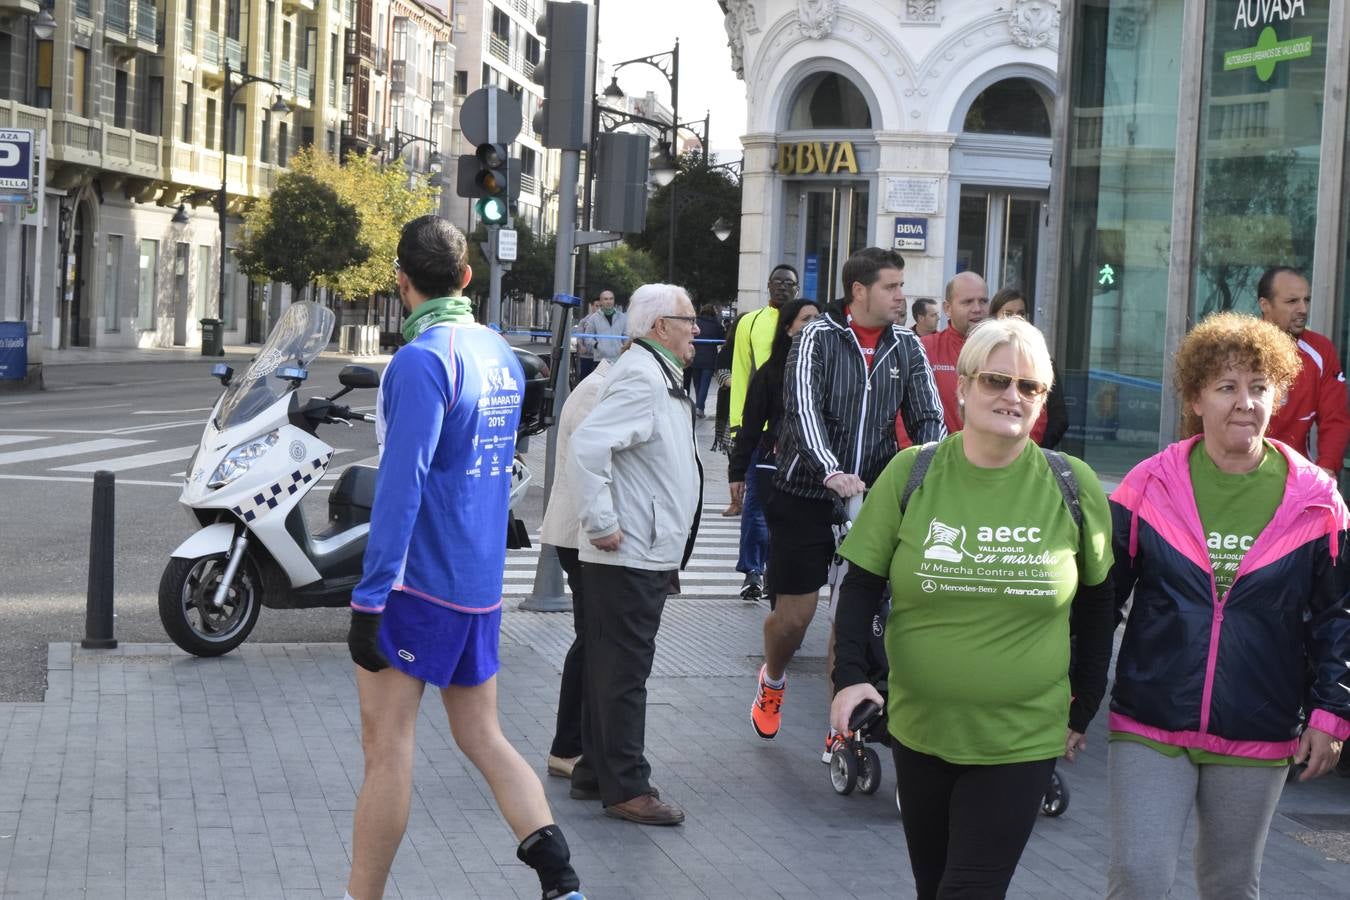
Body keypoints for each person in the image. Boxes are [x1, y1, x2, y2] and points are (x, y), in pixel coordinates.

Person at [830, 316, 1116, 900]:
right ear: (961, 387)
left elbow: (1097, 603)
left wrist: (1082, 708)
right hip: (919, 730)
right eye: (995, 380)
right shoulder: (913, 473)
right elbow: (859, 584)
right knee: (933, 887)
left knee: (969, 889)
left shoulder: (1073, 483)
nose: (1012, 396)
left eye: (1029, 387)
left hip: (1021, 738)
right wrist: (849, 679)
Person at [345, 216, 583, 900]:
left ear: (401, 282)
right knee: (483, 736)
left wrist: (370, 599)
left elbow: (400, 487)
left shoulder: (422, 360)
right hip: (478, 584)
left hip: (416, 585)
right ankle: (562, 883)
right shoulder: (497, 351)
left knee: (385, 750)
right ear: (468, 277)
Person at [1105, 312, 1349, 900]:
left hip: (1258, 723)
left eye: (1260, 387)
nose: (1246, 403)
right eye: (1227, 387)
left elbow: (1338, 617)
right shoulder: (1148, 484)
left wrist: (1329, 714)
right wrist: (1071, 690)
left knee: (1231, 887)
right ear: (1195, 397)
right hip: (1150, 720)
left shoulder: (1317, 500)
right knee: (1138, 878)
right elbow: (1102, 600)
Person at [754, 247, 945, 758]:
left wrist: (933, 473)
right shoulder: (817, 336)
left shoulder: (907, 345)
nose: (901, 296)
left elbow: (929, 417)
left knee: (850, 615)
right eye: (891, 287)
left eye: (902, 287)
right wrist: (829, 468)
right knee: (795, 617)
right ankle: (773, 678)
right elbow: (801, 408)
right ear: (858, 291)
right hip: (805, 492)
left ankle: (843, 723)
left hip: (872, 499)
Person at [566, 283, 703, 826]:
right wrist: (602, 522)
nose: (697, 328)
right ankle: (627, 785)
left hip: (640, 551)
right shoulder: (645, 377)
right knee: (625, 673)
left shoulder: (653, 374)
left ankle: (596, 771)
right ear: (659, 326)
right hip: (627, 553)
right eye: (688, 319)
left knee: (609, 667)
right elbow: (588, 446)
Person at [540, 357, 614, 783]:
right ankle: (567, 746)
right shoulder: (596, 388)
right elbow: (590, 467)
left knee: (591, 640)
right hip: (579, 534)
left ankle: (576, 743)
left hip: (585, 535)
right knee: (589, 641)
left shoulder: (603, 383)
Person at [727, 299, 821, 601]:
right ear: (788, 328)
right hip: (774, 461)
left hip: (818, 469)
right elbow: (751, 424)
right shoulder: (771, 372)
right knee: (768, 522)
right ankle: (762, 576)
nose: (812, 325)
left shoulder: (831, 368)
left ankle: (782, 580)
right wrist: (737, 471)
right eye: (805, 319)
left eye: (817, 319)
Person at [1258, 265, 1350, 478]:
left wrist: (1327, 467)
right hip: (1237, 474)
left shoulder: (1321, 350)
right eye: (1292, 301)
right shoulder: (1236, 349)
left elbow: (1335, 418)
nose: (1303, 309)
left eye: (1306, 300)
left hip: (1296, 479)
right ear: (1265, 305)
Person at [991, 286, 1068, 448]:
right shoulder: (982, 359)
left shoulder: (1043, 361)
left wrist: (1039, 451)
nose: (1015, 319)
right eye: (1008, 314)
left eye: (1020, 314)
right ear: (994, 316)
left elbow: (1059, 418)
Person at [922, 272, 991, 434]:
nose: (977, 309)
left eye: (983, 301)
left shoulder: (1003, 350)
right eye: (968, 302)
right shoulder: (925, 348)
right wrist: (919, 453)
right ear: (947, 308)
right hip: (937, 455)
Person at [575, 289, 626, 381]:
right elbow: (588, 337)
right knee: (599, 388)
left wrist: (624, 348)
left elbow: (626, 336)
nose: (609, 301)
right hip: (600, 360)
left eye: (611, 299)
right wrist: (597, 345)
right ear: (601, 301)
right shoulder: (594, 318)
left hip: (618, 360)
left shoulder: (622, 317)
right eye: (606, 299)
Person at [686, 303, 726, 417]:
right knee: (705, 384)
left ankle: (699, 406)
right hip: (709, 359)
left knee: (697, 383)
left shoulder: (696, 323)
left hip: (695, 357)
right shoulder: (716, 325)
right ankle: (699, 407)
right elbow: (722, 338)